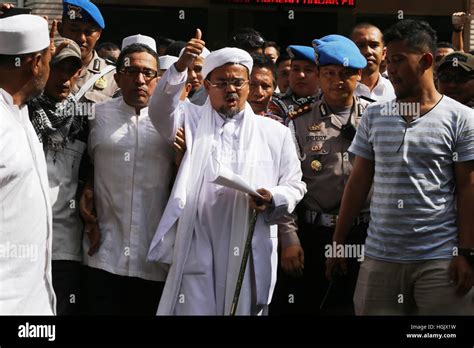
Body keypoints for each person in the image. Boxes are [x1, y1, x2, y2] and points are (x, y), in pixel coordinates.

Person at [147, 29, 306, 315]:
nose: (231, 89)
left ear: (247, 85)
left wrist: (274, 196)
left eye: (237, 82)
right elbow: (158, 110)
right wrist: (182, 66)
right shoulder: (189, 119)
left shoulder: (275, 133)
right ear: (207, 86)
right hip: (199, 238)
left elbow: (296, 184)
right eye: (221, 82)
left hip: (249, 235)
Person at [327, 19, 474, 315]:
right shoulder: (374, 116)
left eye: (398, 60)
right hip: (380, 258)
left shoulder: (462, 119)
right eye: (387, 61)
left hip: (440, 260)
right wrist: (338, 240)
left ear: (426, 60)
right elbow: (358, 183)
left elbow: (468, 189)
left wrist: (466, 253)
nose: (389, 69)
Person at [82, 40, 175, 315]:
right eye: (131, 72)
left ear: (158, 79)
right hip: (102, 254)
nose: (140, 80)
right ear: (118, 76)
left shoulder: (174, 122)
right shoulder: (94, 116)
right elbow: (81, 164)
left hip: (154, 259)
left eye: (148, 73)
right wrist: (86, 192)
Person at [283, 34, 370, 315]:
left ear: (359, 75)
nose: (337, 81)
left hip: (365, 234)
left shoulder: (376, 116)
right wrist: (290, 237)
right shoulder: (299, 120)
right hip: (315, 234)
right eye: (329, 73)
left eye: (345, 74)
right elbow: (287, 181)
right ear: (318, 76)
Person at [0, 13, 56, 314]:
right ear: (35, 64)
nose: (50, 68)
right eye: (48, 59)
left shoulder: (19, 112)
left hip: (32, 302)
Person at [27, 37, 86, 315]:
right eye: (58, 67)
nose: (64, 77)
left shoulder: (84, 120)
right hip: (23, 241)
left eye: (71, 70)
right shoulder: (19, 112)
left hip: (65, 246)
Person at [59, 0, 118, 103]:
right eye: (74, 30)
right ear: (60, 29)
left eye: (88, 32)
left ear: (99, 34)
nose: (81, 38)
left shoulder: (113, 76)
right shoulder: (44, 69)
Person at [269, 45, 320, 125]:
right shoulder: (277, 104)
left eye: (308, 70)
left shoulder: (329, 102)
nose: (301, 75)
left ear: (319, 75)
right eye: (296, 69)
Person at [351, 23, 396, 102]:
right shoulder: (339, 90)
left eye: (374, 45)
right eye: (361, 45)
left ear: (384, 53)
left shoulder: (395, 90)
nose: (368, 51)